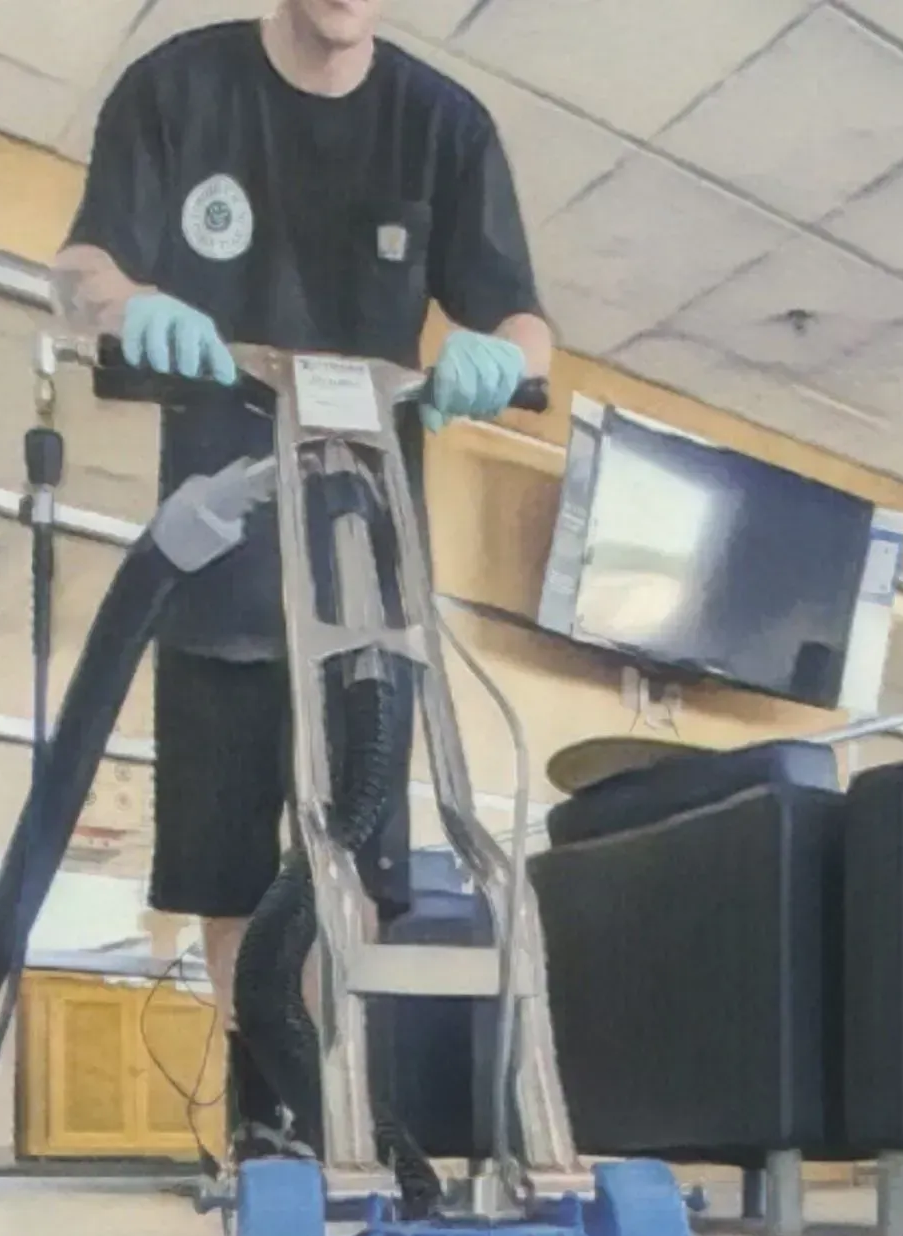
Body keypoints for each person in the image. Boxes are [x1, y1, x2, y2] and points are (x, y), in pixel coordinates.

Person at [56, 0, 551, 1156]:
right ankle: (265, 1132)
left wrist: (499, 356)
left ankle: (346, 1132)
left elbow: (527, 324)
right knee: (232, 879)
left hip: (371, 566)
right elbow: (81, 268)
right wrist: (133, 305)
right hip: (218, 553)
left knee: (356, 873)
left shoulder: (444, 126)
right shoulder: (177, 90)